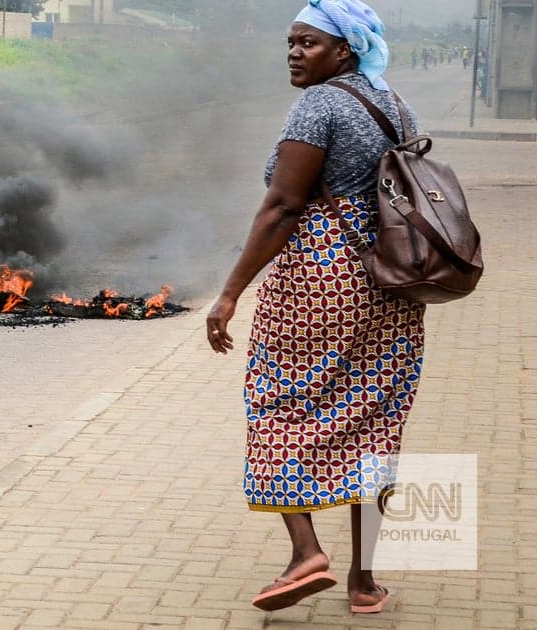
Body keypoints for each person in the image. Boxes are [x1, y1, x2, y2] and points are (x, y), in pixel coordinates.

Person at [206, 0, 423, 615]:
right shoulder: (397, 104)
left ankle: (306, 553)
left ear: (344, 50)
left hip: (321, 280)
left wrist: (229, 293)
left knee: (277, 403)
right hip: (391, 281)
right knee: (375, 423)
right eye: (290, 44)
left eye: (307, 43)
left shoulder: (320, 104)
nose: (295, 54)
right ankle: (364, 582)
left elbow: (282, 206)